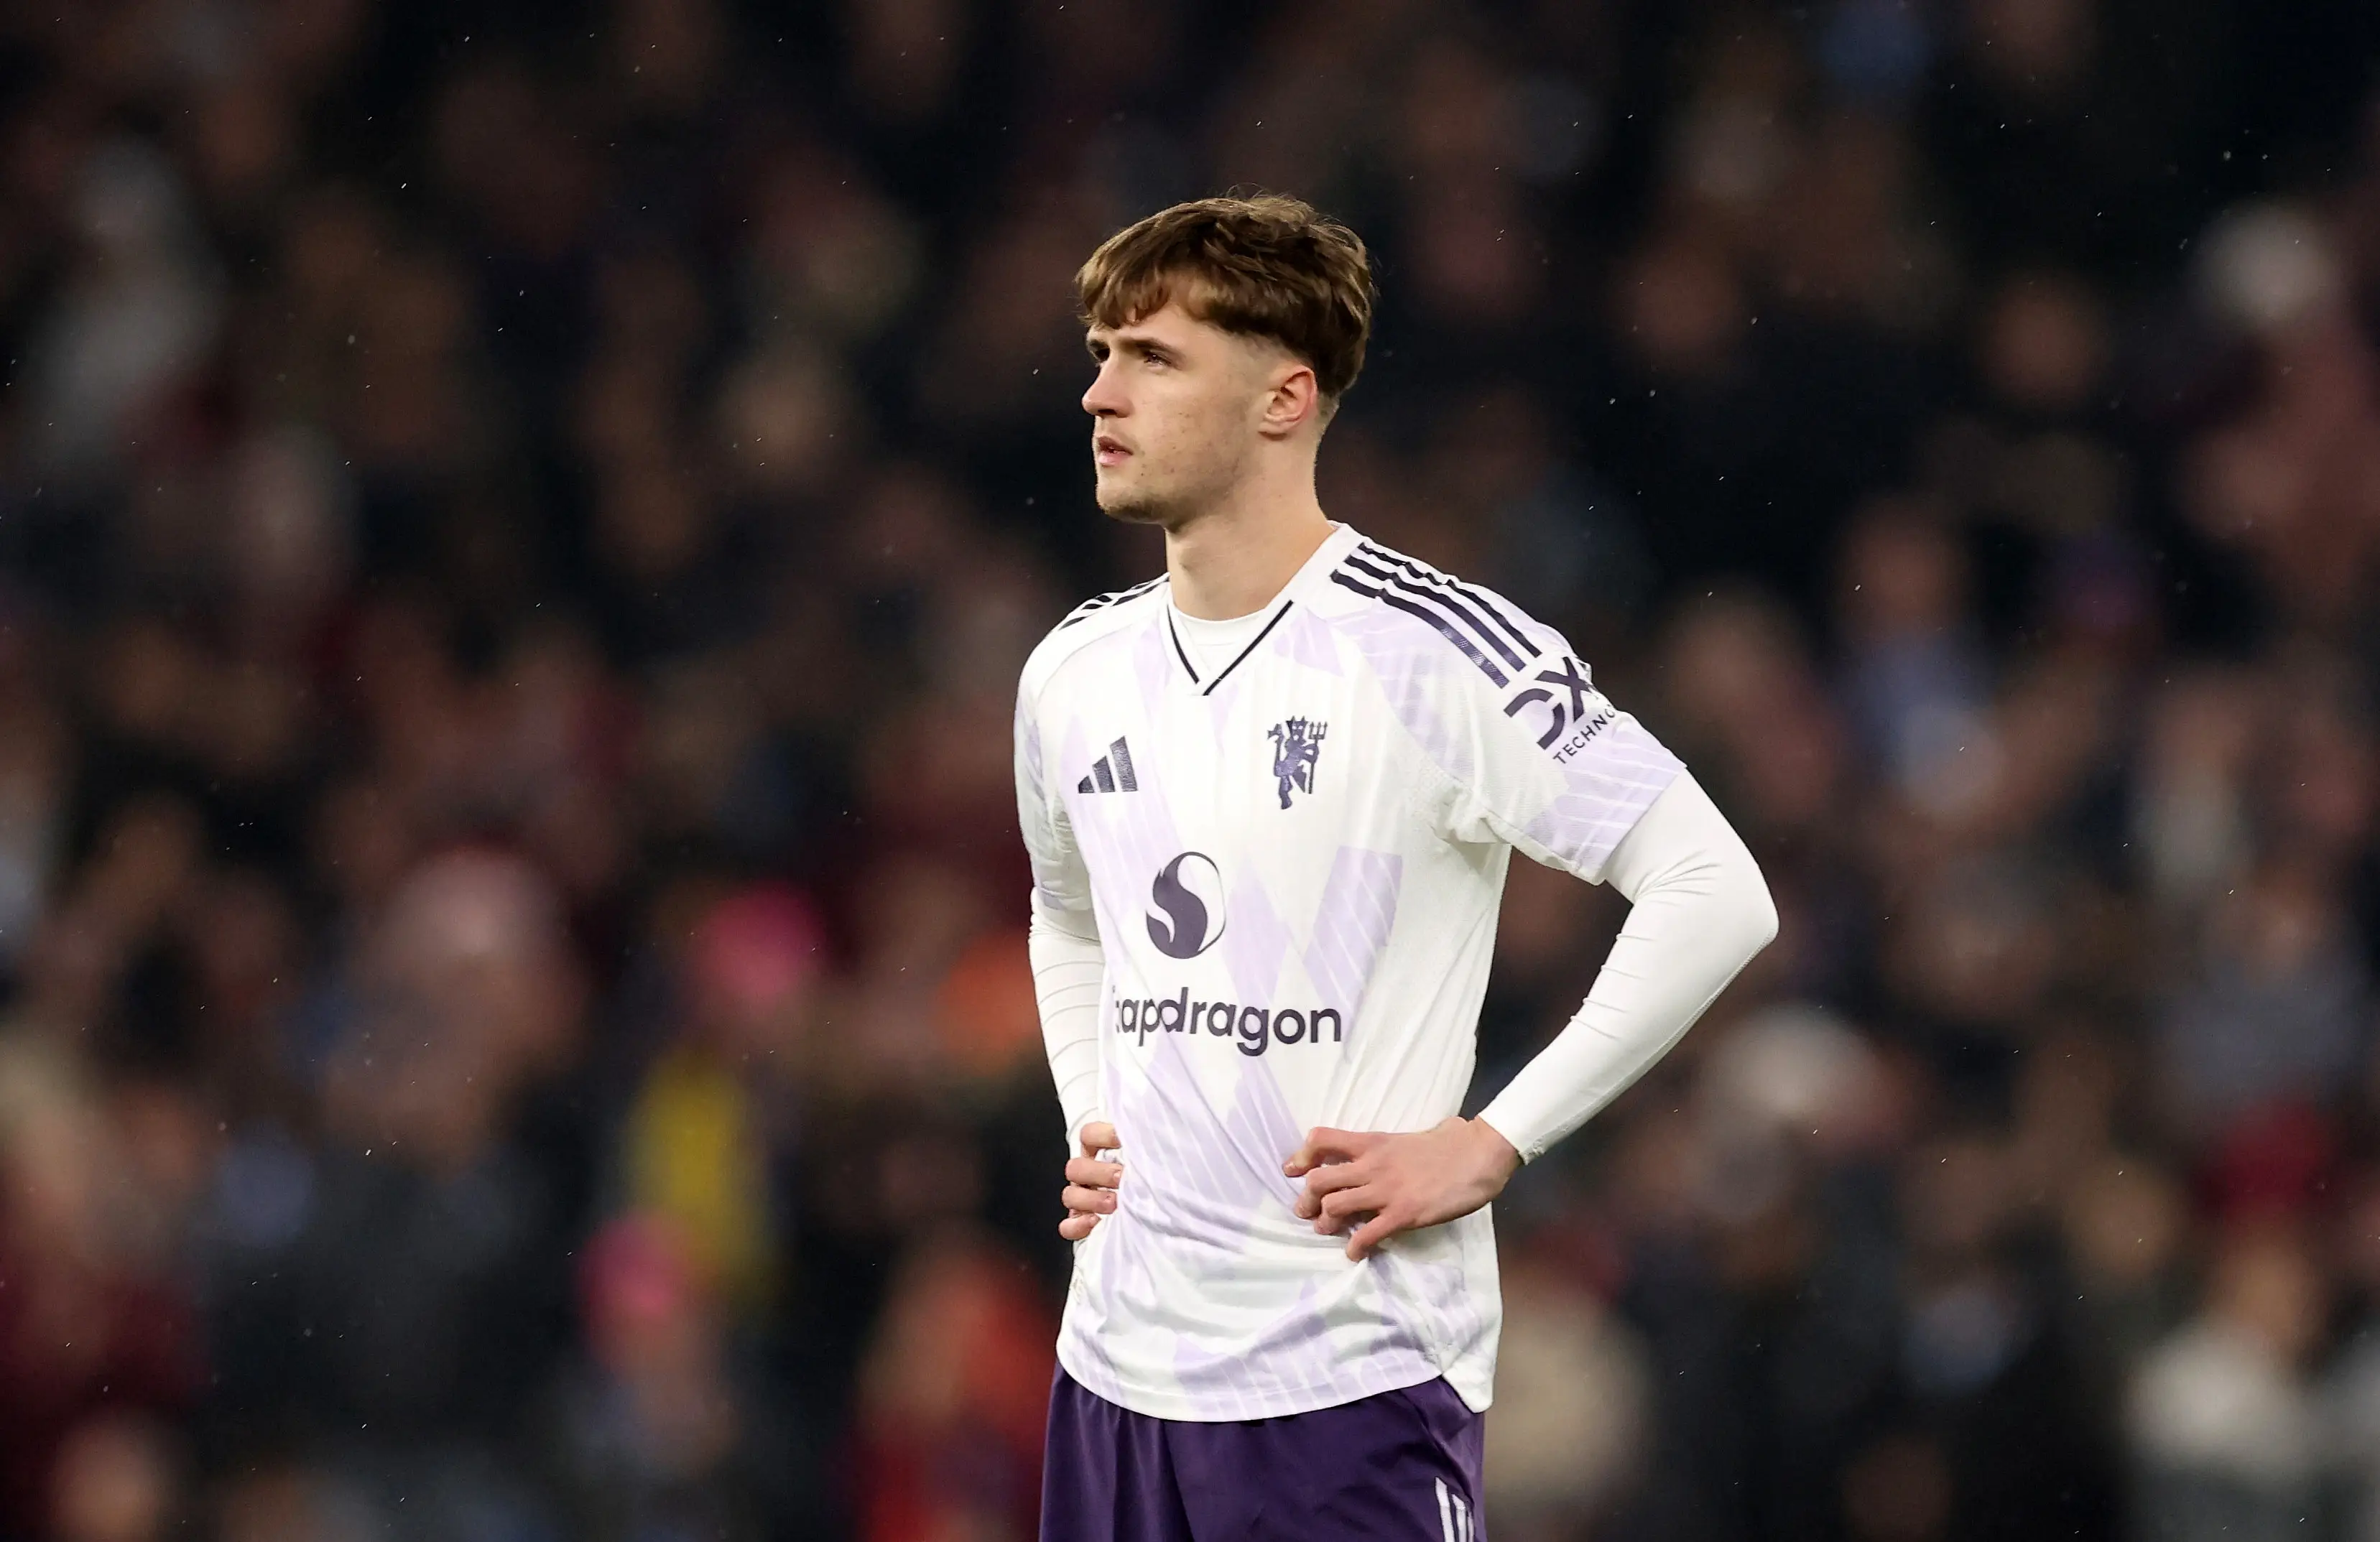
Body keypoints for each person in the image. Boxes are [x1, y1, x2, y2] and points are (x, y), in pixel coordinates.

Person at [1014, 194, 1778, 1541]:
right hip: (1114, 1374)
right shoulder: (1073, 670)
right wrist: (1096, 1111)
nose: (1098, 392)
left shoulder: (1438, 653)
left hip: (1345, 1385)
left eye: (1152, 356)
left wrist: (1494, 1139)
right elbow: (1066, 913)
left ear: (1283, 398)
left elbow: (1716, 888)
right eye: (1100, 351)